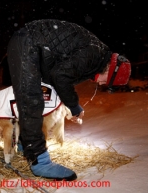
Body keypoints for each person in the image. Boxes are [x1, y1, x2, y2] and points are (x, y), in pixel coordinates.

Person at [7, 19, 131, 181]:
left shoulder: (96, 57)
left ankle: (26, 142)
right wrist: (74, 106)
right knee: (31, 99)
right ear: (110, 69)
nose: (102, 84)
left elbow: (60, 74)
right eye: (108, 81)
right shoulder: (94, 55)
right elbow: (60, 76)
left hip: (34, 47)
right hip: (27, 42)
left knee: (38, 99)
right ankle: (39, 160)